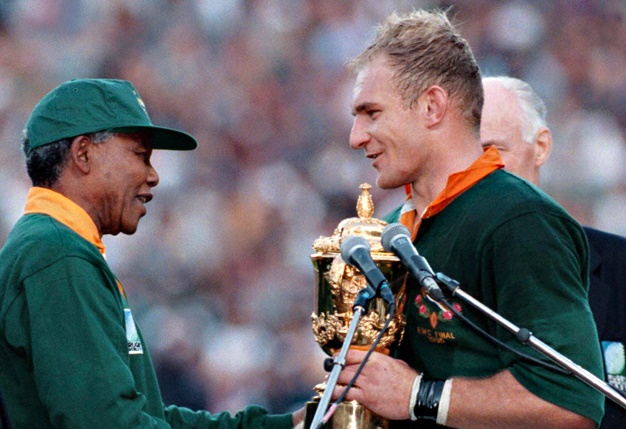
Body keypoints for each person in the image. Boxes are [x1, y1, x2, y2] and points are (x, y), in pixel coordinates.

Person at [333, 9, 605, 429]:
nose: (355, 137)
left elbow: (572, 399)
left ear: (432, 106)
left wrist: (416, 396)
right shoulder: (385, 231)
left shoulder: (519, 220)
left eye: (372, 113)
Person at [0, 78, 304, 429]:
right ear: (83, 154)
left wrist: (279, 426)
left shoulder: (56, 246)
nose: (153, 175)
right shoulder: (57, 254)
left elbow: (144, 416)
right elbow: (109, 424)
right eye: (140, 155)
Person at [480, 75, 626, 428]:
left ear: (541, 146)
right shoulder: (429, 277)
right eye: (466, 157)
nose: (478, 171)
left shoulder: (621, 269)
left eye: (493, 151)